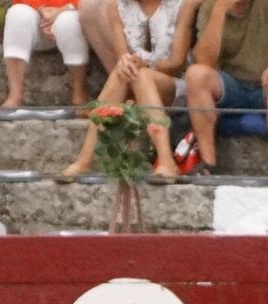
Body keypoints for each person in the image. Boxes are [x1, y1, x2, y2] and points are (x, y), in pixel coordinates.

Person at [61, 0, 204, 180]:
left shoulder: (181, 5)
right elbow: (123, 57)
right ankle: (84, 160)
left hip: (175, 84)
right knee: (123, 72)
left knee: (140, 74)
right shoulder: (117, 7)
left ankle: (166, 159)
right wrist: (128, 64)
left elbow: (177, 63)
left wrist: (146, 64)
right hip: (137, 81)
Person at [183, 0, 268, 179]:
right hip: (235, 84)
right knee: (196, 75)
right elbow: (205, 60)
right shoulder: (212, 6)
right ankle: (208, 163)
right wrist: (220, 10)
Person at [0, 1, 92, 111]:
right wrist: (43, 11)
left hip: (74, 12)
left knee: (68, 22)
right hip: (39, 13)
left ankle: (79, 96)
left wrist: (65, 9)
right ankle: (14, 97)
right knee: (17, 13)